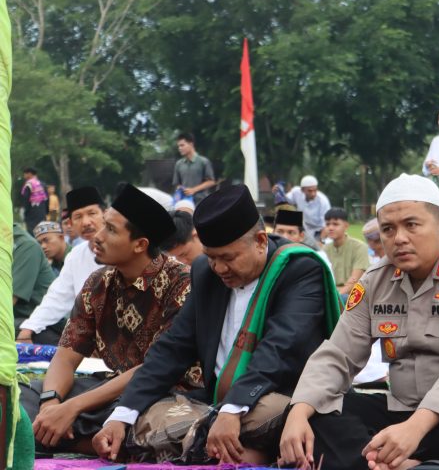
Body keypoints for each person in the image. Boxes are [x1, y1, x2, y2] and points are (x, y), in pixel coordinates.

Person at [279, 173, 439, 470]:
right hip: (403, 409)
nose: (398, 238)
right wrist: (298, 411)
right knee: (316, 413)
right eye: (388, 229)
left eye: (411, 225)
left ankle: (377, 460)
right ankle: (398, 463)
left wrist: (414, 430)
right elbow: (340, 353)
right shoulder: (375, 281)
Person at [93, 185, 339, 465]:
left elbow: (281, 347)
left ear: (260, 241)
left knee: (269, 414)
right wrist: (122, 415)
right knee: (135, 412)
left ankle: (196, 444)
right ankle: (220, 447)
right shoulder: (204, 272)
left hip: (276, 397)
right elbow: (173, 347)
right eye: (211, 257)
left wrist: (232, 410)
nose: (219, 268)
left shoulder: (300, 270)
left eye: (228, 258)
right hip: (213, 404)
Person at [20, 184, 187, 454]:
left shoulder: (181, 284)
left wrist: (72, 407)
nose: (96, 236)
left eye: (110, 229)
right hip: (108, 389)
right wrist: (51, 405)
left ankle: (66, 436)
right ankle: (64, 434)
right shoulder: (99, 282)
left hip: (159, 395)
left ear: (140, 245)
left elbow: (155, 368)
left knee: (165, 428)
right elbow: (66, 355)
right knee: (19, 396)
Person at [17, 187, 104, 345]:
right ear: (70, 224)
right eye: (78, 217)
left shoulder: (124, 250)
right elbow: (57, 298)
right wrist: (27, 330)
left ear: (105, 215)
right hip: (88, 337)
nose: (85, 222)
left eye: (92, 213)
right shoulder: (76, 255)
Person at [12, 223, 56, 332]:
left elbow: (9, 301)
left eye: (46, 240)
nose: (44, 246)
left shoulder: (25, 245)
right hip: (23, 318)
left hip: (47, 324)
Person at [323, 207, 369, 295]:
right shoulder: (324, 250)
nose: (330, 228)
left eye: (335, 224)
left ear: (346, 226)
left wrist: (335, 298)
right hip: (330, 293)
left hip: (352, 294)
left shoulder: (359, 247)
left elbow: (354, 282)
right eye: (327, 224)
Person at [278, 175, 331, 242]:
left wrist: (321, 242)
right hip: (304, 229)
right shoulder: (296, 192)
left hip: (319, 231)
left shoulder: (323, 201)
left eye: (315, 190)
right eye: (310, 191)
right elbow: (285, 201)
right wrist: (278, 192)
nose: (313, 194)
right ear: (302, 190)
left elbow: (326, 225)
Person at [172, 133, 216, 205]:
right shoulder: (178, 164)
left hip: (202, 202)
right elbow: (177, 184)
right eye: (178, 146)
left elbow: (211, 181)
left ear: (191, 144)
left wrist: (193, 190)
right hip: (184, 203)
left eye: (182, 145)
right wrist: (180, 189)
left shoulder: (204, 161)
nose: (179, 148)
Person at [21, 167, 48, 234]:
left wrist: (25, 213)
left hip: (31, 214)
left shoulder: (28, 185)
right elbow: (47, 200)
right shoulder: (43, 184)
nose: (24, 176)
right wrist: (46, 212)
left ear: (29, 174)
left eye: (24, 174)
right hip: (42, 213)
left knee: (32, 233)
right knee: (42, 232)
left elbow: (26, 201)